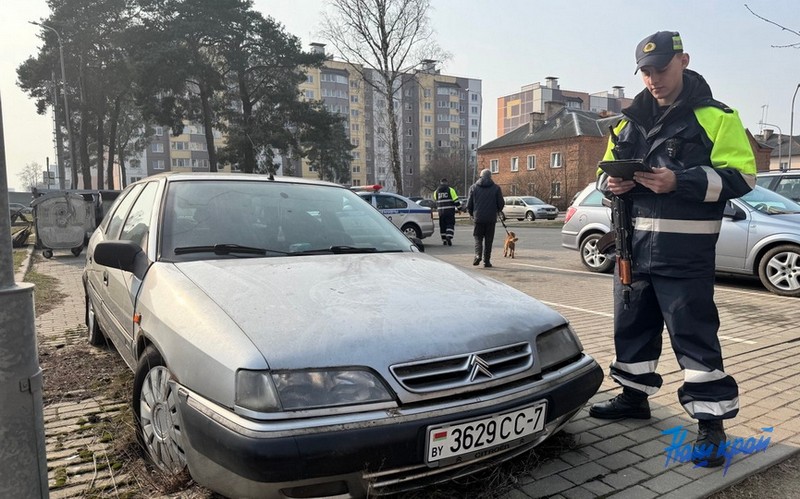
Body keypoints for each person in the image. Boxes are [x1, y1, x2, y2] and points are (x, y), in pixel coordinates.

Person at [589, 31, 756, 468]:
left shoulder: (717, 117)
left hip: (685, 254)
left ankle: (711, 424)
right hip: (630, 249)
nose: (653, 79)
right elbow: (602, 177)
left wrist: (679, 181)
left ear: (683, 61)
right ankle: (633, 396)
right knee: (632, 329)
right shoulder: (625, 123)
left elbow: (743, 177)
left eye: (660, 69)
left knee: (694, 337)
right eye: (645, 72)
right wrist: (612, 184)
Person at [466, 169, 504, 268]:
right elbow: (501, 203)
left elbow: (469, 204)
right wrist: (497, 210)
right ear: (490, 177)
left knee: (478, 238)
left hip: (478, 218)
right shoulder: (496, 188)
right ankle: (486, 261)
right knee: (489, 240)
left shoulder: (473, 187)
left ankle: (478, 255)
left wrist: (472, 214)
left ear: (480, 176)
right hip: (491, 219)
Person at [432, 178, 460, 246]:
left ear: (440, 183)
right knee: (450, 224)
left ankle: (444, 240)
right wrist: (460, 208)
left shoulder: (436, 192)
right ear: (447, 182)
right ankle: (449, 236)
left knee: (442, 226)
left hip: (441, 212)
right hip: (450, 211)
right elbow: (456, 201)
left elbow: (436, 201)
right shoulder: (450, 190)